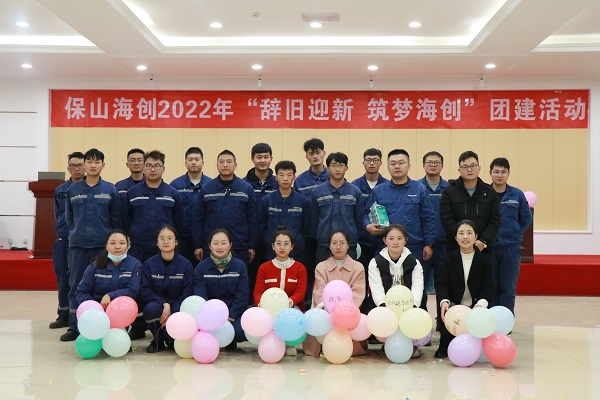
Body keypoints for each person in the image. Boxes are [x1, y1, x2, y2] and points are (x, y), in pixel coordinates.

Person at [364, 149, 436, 310]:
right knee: (384, 287)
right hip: (385, 248)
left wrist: (429, 244)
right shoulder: (379, 191)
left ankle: (417, 319)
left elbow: (428, 218)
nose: (397, 166)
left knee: (417, 288)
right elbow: (366, 214)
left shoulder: (419, 189)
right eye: (393, 163)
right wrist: (367, 225)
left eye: (401, 163)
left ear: (409, 166)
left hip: (414, 248)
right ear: (387, 167)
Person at [62, 148, 121, 342]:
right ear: (84, 165)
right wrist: (76, 233)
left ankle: (103, 325)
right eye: (89, 162)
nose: (93, 165)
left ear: (103, 165)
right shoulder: (73, 190)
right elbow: (69, 219)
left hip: (102, 247)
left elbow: (115, 221)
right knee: (76, 285)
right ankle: (75, 326)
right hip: (78, 246)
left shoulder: (110, 190)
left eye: (97, 162)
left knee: (104, 285)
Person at [435, 220, 494, 359]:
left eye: (469, 233)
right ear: (456, 238)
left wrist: (480, 305)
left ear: (476, 236)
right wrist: (444, 301)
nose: (465, 237)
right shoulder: (447, 260)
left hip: (476, 307)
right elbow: (441, 284)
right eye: (461, 233)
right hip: (454, 308)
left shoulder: (485, 261)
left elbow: (488, 286)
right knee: (445, 352)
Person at [303, 230, 367, 357]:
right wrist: (330, 310)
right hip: (326, 312)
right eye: (334, 243)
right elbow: (319, 292)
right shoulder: (321, 267)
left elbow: (358, 293)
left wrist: (344, 312)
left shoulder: (358, 267)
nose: (338, 247)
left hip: (349, 314)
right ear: (329, 246)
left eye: (342, 243)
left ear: (348, 246)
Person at [192, 150, 258, 268]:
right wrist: (198, 245)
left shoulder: (246, 189)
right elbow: (198, 219)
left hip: (239, 246)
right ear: (217, 165)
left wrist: (252, 245)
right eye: (221, 162)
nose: (225, 165)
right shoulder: (206, 189)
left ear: (235, 165)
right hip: (212, 247)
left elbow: (252, 219)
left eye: (229, 162)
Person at [367, 224, 424, 359]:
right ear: (384, 240)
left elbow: (418, 287)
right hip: (386, 307)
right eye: (391, 238)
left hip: (408, 306)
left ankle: (411, 343)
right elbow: (376, 287)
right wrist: (383, 307)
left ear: (405, 240)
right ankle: (388, 341)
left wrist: (413, 307)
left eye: (399, 238)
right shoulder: (376, 262)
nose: (395, 242)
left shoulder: (414, 263)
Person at [75, 230, 142, 337]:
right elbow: (81, 291)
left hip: (120, 312)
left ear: (128, 246)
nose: (117, 247)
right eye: (113, 243)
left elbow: (133, 290)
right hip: (96, 312)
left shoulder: (135, 265)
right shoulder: (95, 265)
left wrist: (110, 296)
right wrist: (95, 308)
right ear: (106, 246)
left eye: (122, 243)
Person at [123, 150, 185, 263]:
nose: (152, 169)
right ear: (143, 167)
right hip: (138, 249)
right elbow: (125, 220)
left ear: (163, 168)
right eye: (149, 166)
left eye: (157, 166)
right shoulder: (132, 193)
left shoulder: (172, 194)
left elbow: (179, 222)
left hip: (164, 249)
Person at [254, 227, 307, 356]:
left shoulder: (299, 268)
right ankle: (270, 343)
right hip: (269, 307)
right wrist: (261, 305)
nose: (282, 247)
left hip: (291, 307)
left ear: (292, 246)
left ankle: (289, 343)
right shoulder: (264, 268)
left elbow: (301, 292)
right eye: (278, 243)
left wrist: (290, 302)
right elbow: (258, 291)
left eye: (286, 244)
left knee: (292, 316)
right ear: (273, 246)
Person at [489, 157, 532, 315]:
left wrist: (515, 231)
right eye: (496, 172)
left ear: (508, 174)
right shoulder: (485, 193)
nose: (500, 175)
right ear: (490, 173)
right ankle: (491, 319)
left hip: (511, 247)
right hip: (489, 246)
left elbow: (526, 218)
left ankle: (506, 319)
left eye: (503, 172)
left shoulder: (517, 194)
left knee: (508, 286)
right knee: (491, 285)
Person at [140, 226, 193, 353]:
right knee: (150, 309)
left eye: (170, 238)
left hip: (178, 304)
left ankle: (172, 339)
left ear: (176, 242)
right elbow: (145, 289)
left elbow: (187, 292)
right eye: (162, 238)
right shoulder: (149, 264)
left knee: (179, 313)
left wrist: (172, 311)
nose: (166, 241)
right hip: (158, 303)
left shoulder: (185, 265)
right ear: (157, 243)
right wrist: (164, 304)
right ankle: (157, 340)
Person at [194, 229, 249, 350]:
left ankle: (230, 340)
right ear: (210, 246)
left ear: (230, 245)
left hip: (233, 314)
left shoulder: (240, 266)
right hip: (210, 314)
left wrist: (230, 317)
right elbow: (200, 296)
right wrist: (213, 318)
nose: (219, 247)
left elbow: (242, 296)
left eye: (223, 243)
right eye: (215, 243)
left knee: (239, 332)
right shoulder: (201, 268)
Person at [440, 150, 501, 255]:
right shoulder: (449, 192)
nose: (469, 169)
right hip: (456, 248)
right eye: (465, 166)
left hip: (483, 250)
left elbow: (495, 220)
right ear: (459, 170)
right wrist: (461, 239)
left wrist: (483, 241)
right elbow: (446, 219)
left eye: (473, 166)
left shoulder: (490, 192)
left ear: (479, 168)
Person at [49, 151, 85, 329]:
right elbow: (58, 214)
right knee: (63, 278)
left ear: (85, 166)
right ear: (68, 168)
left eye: (80, 165)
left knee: (81, 280)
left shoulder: (90, 188)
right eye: (73, 165)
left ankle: (81, 316)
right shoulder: (60, 190)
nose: (76, 169)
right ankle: (63, 314)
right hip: (64, 239)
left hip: (83, 241)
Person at [311, 152, 364, 264]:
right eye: (334, 165)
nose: (337, 169)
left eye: (341, 165)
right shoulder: (317, 192)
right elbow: (313, 220)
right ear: (328, 168)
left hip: (349, 247)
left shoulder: (355, 192)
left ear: (346, 168)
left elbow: (359, 220)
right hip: (324, 247)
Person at [244, 143, 278, 303]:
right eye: (259, 157)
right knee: (252, 276)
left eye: (266, 157)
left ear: (271, 158)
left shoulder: (278, 183)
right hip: (250, 240)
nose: (262, 160)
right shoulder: (243, 185)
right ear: (252, 159)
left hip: (273, 240)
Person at [260, 160, 311, 265]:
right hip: (272, 252)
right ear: (276, 177)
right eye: (281, 175)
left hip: (297, 252)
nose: (285, 178)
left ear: (294, 177)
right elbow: (262, 226)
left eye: (289, 175)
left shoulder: (302, 201)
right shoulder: (267, 200)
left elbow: (307, 228)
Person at [417, 151, 449, 317]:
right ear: (423, 165)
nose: (433, 165)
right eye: (429, 162)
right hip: (422, 244)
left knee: (444, 284)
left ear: (442, 166)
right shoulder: (416, 187)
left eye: (437, 162)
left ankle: (442, 320)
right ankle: (420, 318)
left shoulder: (450, 188)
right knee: (420, 284)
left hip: (445, 244)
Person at [170, 147, 212, 265]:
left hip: (205, 238)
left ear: (203, 162)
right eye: (190, 159)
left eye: (197, 159)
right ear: (185, 163)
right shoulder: (175, 185)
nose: (193, 162)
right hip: (182, 238)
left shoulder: (211, 184)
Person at [351, 148, 388, 270]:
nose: (372, 163)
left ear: (381, 163)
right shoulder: (354, 187)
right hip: (360, 241)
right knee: (361, 274)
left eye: (375, 160)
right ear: (363, 163)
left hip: (383, 242)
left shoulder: (387, 186)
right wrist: (365, 226)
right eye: (368, 160)